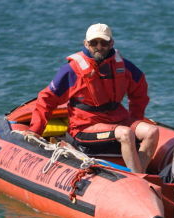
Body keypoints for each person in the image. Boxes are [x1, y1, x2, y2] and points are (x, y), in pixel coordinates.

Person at [27, 23, 159, 173]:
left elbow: (139, 92)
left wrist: (136, 118)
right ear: (86, 43)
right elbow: (47, 98)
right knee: (125, 133)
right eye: (93, 43)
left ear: (111, 43)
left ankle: (138, 174)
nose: (99, 46)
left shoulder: (124, 66)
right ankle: (137, 179)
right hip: (85, 126)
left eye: (103, 42)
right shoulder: (72, 70)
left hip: (118, 119)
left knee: (152, 132)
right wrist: (36, 130)